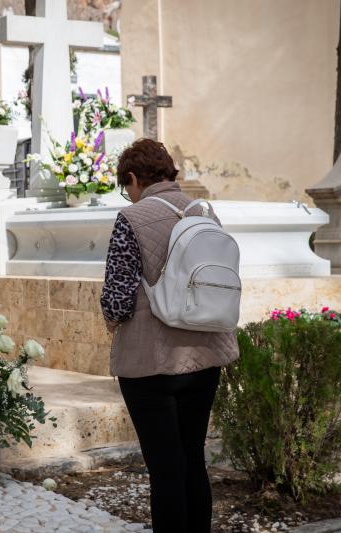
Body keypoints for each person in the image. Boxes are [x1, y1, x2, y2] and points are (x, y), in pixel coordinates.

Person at [100, 138, 239, 533]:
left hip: (150, 365)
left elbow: (118, 299)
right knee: (193, 459)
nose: (127, 194)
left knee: (165, 470)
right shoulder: (206, 214)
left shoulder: (131, 218)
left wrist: (109, 319)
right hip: (207, 356)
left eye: (125, 185)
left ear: (132, 178)